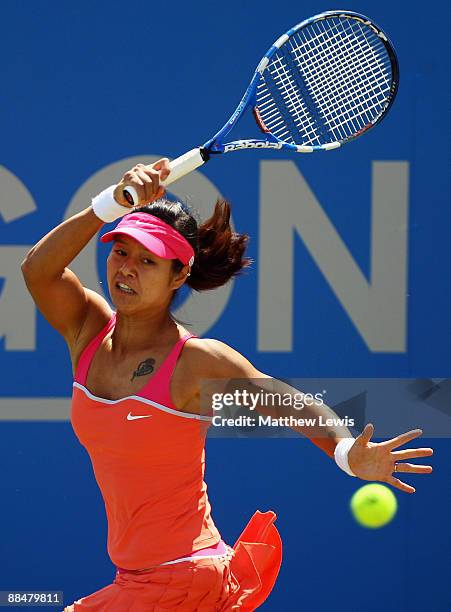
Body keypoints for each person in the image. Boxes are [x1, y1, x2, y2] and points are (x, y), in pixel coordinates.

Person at [21, 159, 433, 611]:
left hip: (183, 579)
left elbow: (289, 402)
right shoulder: (88, 330)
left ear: (179, 276)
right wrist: (107, 205)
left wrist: (345, 451)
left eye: (147, 261)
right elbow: (38, 271)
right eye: (121, 252)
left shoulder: (198, 362)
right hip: (144, 580)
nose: (127, 270)